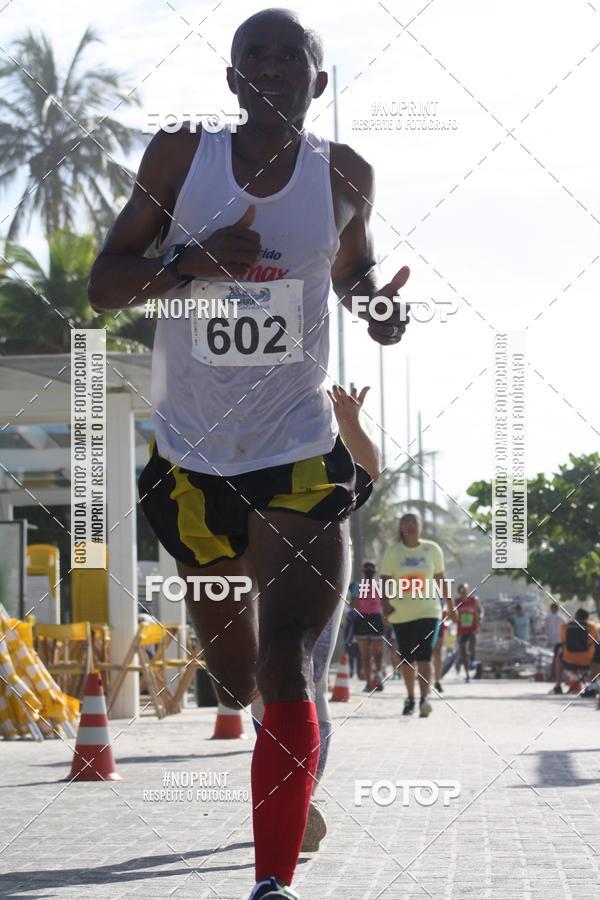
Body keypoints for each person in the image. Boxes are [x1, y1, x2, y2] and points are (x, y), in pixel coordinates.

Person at [90, 9, 410, 897]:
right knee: (237, 680)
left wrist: (378, 309)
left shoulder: (345, 174)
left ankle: (271, 880)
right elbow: (105, 281)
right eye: (252, 57)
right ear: (232, 82)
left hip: (298, 450)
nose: (270, 68)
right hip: (192, 460)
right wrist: (189, 263)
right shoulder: (179, 159)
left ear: (320, 80)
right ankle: (286, 756)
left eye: (289, 57)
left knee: (290, 658)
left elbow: (353, 277)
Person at [380, 513, 456, 718]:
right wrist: (385, 605)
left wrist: (451, 605)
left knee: (424, 655)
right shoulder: (393, 552)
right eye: (406, 523)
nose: (411, 526)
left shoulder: (432, 549)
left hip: (429, 611)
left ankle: (424, 699)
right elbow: (385, 580)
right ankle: (410, 698)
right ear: (401, 528)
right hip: (401, 613)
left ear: (420, 526)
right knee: (406, 658)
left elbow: (441, 579)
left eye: (414, 522)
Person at [349, 560, 385, 691]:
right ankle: (377, 676)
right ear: (375, 572)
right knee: (377, 654)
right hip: (375, 619)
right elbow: (384, 604)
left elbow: (352, 605)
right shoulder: (380, 586)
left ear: (363, 572)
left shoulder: (357, 586)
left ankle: (370, 683)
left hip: (362, 619)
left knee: (365, 656)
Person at [553, 608, 598, 694]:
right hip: (588, 662)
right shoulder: (592, 627)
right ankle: (593, 684)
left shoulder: (565, 627)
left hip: (569, 660)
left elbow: (563, 642)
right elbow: (595, 641)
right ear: (587, 618)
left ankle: (558, 685)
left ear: (575, 616)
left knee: (559, 656)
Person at [455, 583, 482, 683]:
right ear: (459, 592)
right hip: (461, 630)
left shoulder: (474, 600)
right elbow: (452, 614)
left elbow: (480, 610)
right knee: (463, 653)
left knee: (473, 640)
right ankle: (467, 675)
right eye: (462, 592)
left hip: (472, 627)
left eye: (465, 591)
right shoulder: (456, 602)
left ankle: (473, 659)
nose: (464, 594)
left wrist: (481, 617)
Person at [545, 601, 565, 684]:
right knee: (557, 658)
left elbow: (545, 628)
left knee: (553, 658)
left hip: (552, 640)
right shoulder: (561, 618)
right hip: (559, 641)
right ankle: (554, 674)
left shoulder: (548, 617)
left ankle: (553, 674)